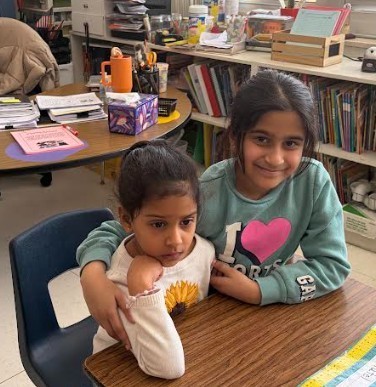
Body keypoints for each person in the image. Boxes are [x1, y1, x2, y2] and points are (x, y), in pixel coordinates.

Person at [78, 69, 350, 347]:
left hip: (274, 318)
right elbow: (121, 226)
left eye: (291, 143)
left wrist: (261, 290)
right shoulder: (209, 189)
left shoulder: (313, 181)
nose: (276, 158)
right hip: (210, 324)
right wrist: (92, 275)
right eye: (261, 139)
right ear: (235, 137)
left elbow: (333, 265)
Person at [92, 140, 215, 379]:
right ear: (127, 220)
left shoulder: (203, 250)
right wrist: (141, 288)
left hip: (186, 354)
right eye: (158, 224)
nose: (176, 241)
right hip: (120, 371)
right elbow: (168, 369)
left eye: (186, 221)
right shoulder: (122, 281)